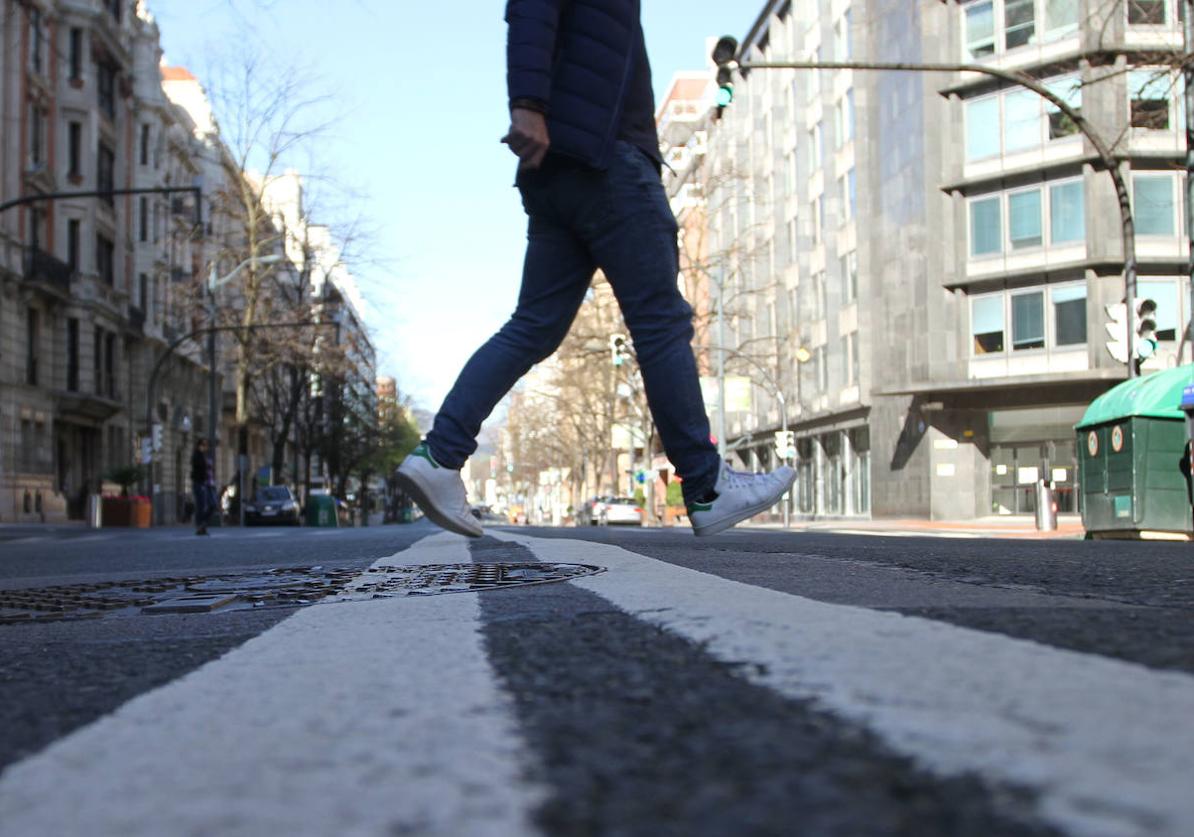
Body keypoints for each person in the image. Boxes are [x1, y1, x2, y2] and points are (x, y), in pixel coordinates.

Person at [396, 0, 795, 538]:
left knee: (533, 326)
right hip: (607, 160)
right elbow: (531, 8)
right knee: (660, 321)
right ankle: (707, 484)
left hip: (563, 168)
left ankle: (441, 454)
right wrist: (527, 105)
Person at [190, 438, 215, 536]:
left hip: (209, 484)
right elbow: (198, 469)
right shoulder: (197, 456)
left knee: (212, 504)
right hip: (200, 483)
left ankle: (203, 524)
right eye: (204, 445)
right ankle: (200, 526)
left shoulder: (205, 456)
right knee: (201, 505)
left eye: (206, 445)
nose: (206, 447)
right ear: (199, 445)